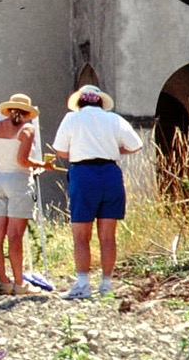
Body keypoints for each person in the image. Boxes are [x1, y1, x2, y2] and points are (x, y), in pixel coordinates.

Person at [52, 84, 143, 300]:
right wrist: (114, 148)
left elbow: (60, 150)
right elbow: (136, 145)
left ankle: (83, 283)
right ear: (101, 101)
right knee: (108, 235)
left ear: (80, 102)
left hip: (84, 174)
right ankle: (106, 284)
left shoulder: (72, 119)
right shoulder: (114, 119)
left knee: (81, 235)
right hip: (111, 174)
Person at [0, 94, 53, 295]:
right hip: (18, 181)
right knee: (15, 236)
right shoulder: (27, 129)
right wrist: (42, 165)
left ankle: (4, 282)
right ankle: (19, 283)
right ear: (27, 113)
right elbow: (23, 161)